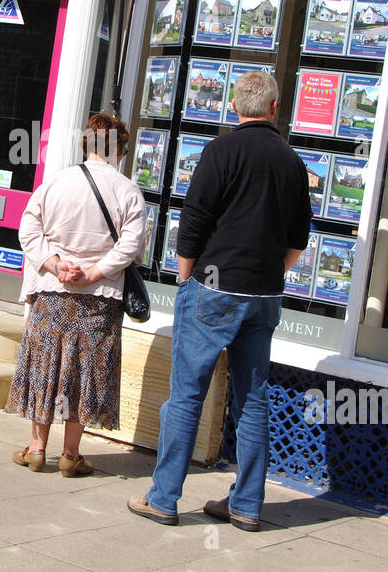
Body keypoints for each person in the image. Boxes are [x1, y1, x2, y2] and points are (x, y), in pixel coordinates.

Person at [128, 71, 313, 529]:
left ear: (235, 107)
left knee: (187, 394)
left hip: (213, 288)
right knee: (253, 401)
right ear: (274, 109)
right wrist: (270, 273)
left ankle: (164, 497)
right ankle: (247, 505)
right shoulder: (292, 162)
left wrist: (186, 279)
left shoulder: (220, 151)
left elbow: (193, 220)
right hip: (263, 293)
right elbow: (299, 239)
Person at [5, 113, 147, 476]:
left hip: (53, 291)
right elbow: (130, 246)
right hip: (100, 297)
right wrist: (95, 272)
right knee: (84, 371)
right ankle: (70, 454)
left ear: (87, 145)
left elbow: (28, 230)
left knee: (46, 365)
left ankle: (37, 448)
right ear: (118, 148)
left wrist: (56, 266)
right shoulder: (128, 191)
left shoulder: (55, 183)